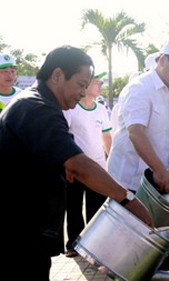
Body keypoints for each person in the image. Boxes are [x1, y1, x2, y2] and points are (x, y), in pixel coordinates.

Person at [0, 45, 152, 281]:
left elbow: (60, 156)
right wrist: (128, 199)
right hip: (18, 232)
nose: (83, 92)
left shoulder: (39, 104)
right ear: (58, 75)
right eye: (81, 84)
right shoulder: (36, 107)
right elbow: (77, 164)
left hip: (27, 229)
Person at [107, 38, 169, 195]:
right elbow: (136, 132)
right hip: (129, 182)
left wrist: (164, 170)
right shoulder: (140, 88)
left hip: (158, 178)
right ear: (163, 60)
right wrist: (158, 169)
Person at [62, 71, 113, 258]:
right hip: (76, 168)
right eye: (96, 82)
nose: (99, 86)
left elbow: (106, 136)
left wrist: (111, 159)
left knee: (97, 207)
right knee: (74, 207)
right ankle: (74, 243)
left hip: (98, 168)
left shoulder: (101, 109)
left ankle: (94, 245)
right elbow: (65, 136)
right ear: (85, 85)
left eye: (100, 82)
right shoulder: (71, 109)